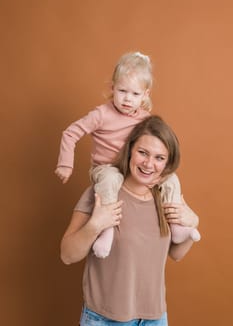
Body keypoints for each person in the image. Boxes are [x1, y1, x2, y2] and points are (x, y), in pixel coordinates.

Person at [56, 52, 200, 258]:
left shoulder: (144, 119)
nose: (127, 99)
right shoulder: (101, 114)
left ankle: (177, 226)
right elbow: (71, 133)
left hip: (126, 168)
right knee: (111, 178)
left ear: (145, 95)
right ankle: (106, 232)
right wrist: (65, 163)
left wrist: (192, 220)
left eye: (134, 94)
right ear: (112, 88)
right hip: (106, 168)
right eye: (122, 91)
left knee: (172, 179)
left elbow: (176, 256)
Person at [60, 115, 200, 325]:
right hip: (105, 319)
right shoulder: (102, 193)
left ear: (167, 162)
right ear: (130, 151)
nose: (149, 164)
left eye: (159, 158)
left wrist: (192, 222)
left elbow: (176, 254)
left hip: (155, 319)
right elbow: (67, 255)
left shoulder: (163, 197)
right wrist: (95, 225)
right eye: (142, 153)